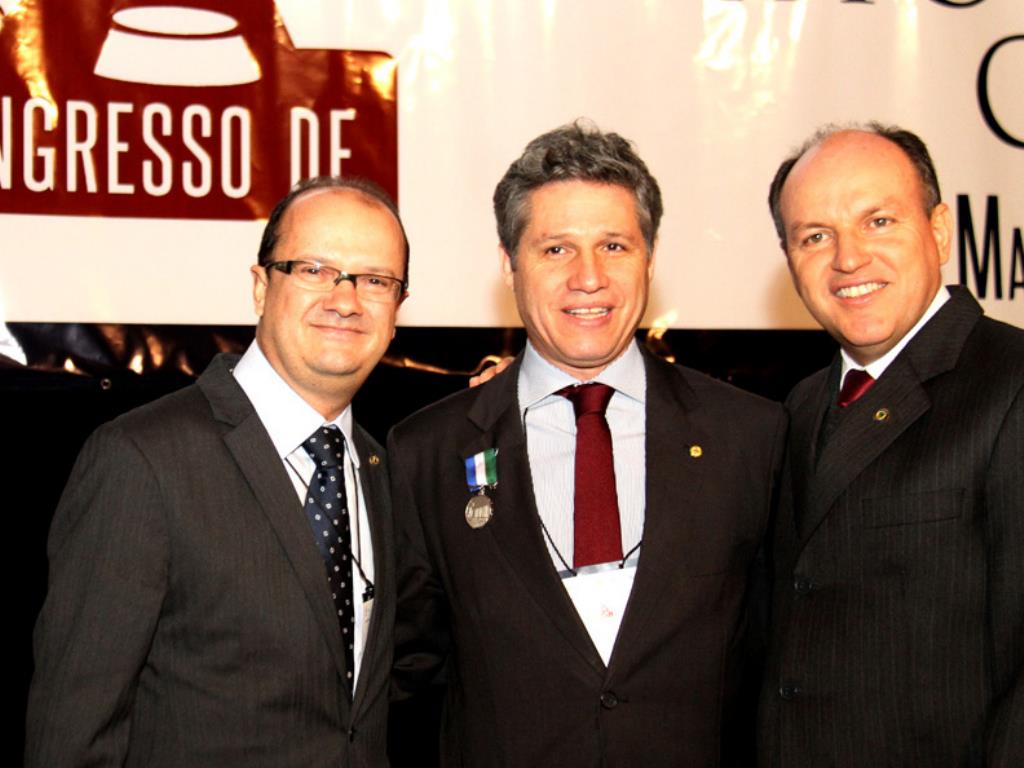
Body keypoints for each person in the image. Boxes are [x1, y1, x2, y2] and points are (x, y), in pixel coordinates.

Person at [388, 121, 787, 767]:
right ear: (508, 263)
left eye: (614, 246)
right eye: (556, 249)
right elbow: (406, 680)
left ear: (649, 259)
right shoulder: (425, 453)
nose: (589, 277)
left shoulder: (750, 438)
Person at [25, 176, 408, 768]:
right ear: (260, 287)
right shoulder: (142, 460)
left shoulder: (380, 469)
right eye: (313, 269)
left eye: (375, 280)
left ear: (397, 310)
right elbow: (72, 736)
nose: (345, 299)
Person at [758, 123, 1024, 766]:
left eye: (878, 221)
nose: (848, 259)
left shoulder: (1012, 382)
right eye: (815, 236)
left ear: (940, 231)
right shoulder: (799, 407)